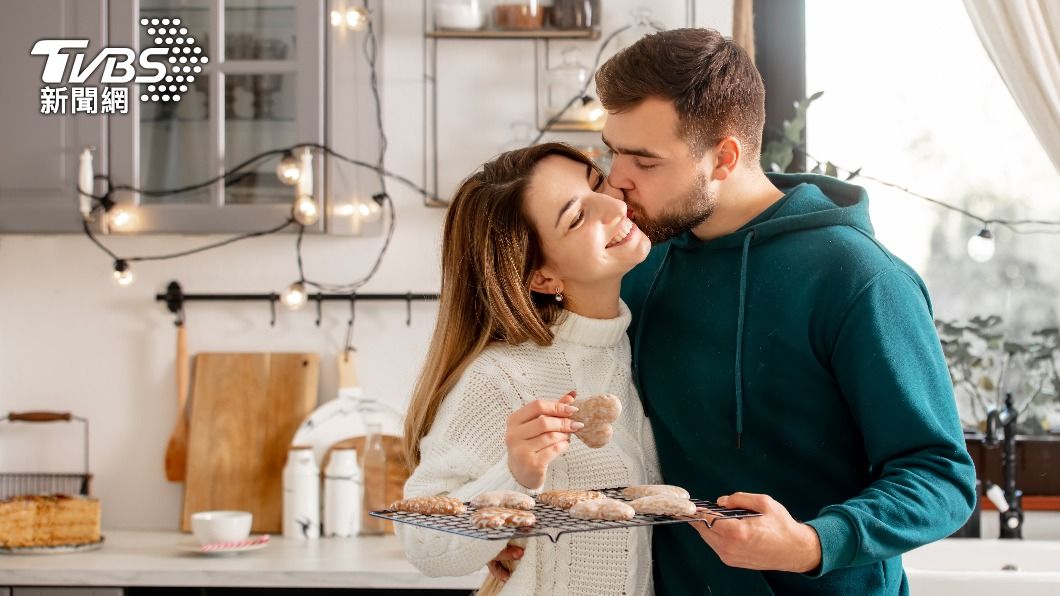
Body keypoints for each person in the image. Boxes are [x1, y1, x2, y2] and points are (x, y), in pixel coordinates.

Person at [590, 27, 977, 595]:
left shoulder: (859, 278)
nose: (617, 180)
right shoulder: (641, 262)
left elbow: (941, 475)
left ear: (724, 157)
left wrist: (814, 543)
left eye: (644, 161)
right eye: (613, 151)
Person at [398, 142, 660, 596]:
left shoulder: (642, 346)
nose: (613, 205)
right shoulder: (501, 377)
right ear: (543, 277)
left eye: (597, 182)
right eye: (576, 217)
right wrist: (514, 477)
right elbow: (421, 543)